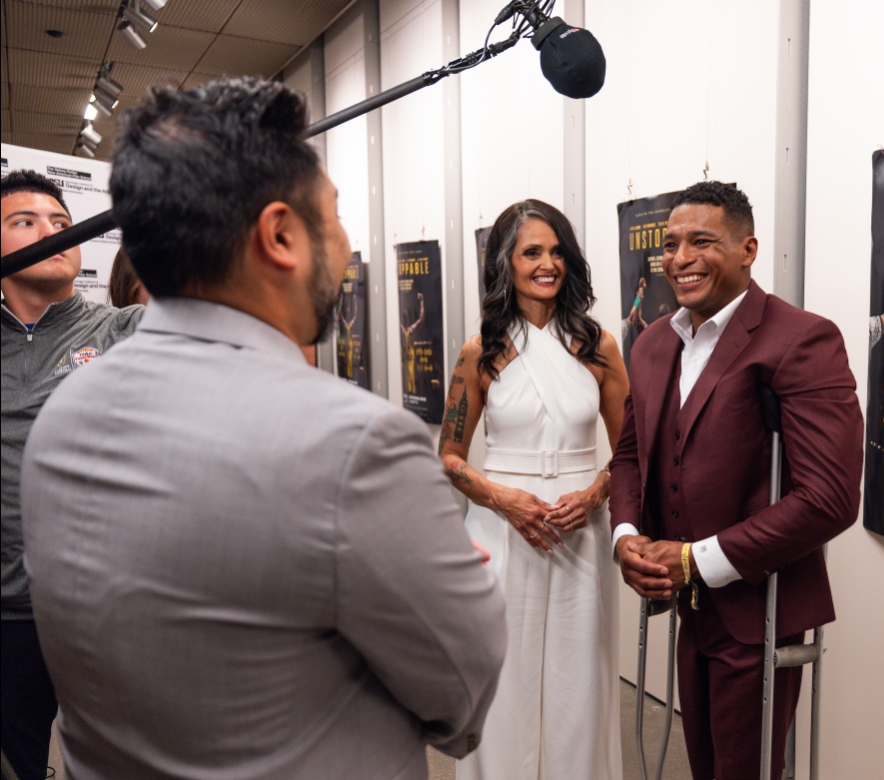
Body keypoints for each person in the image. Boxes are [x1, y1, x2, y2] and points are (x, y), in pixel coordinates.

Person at [19, 77, 506, 780]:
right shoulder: (354, 445)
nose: (343, 245)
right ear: (280, 235)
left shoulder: (62, 414)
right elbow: (460, 702)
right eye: (334, 217)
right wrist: (461, 577)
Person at [609, 181, 863, 780]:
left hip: (758, 607)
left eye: (702, 241)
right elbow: (627, 457)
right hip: (686, 609)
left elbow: (829, 499)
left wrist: (698, 559)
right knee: (704, 764)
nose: (680, 258)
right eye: (670, 244)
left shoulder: (801, 339)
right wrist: (625, 535)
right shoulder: (650, 345)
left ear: (748, 249)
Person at [440, 199, 628, 780]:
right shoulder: (481, 351)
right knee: (505, 682)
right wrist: (503, 499)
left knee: (579, 686)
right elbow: (448, 456)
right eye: (531, 252)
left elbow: (630, 454)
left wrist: (596, 494)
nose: (547, 264)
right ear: (506, 263)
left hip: (579, 534)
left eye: (556, 252)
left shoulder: (599, 346)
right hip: (502, 530)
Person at [1, 169, 143, 780]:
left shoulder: (122, 330)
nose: (52, 232)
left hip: (102, 610)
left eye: (63, 223)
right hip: (8, 613)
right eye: (25, 222)